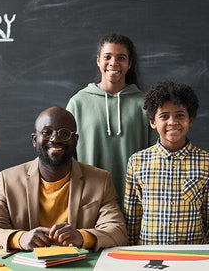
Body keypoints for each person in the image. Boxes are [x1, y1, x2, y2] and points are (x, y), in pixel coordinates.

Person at [0, 106, 127, 251]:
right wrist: (21, 239)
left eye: (64, 133)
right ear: (35, 140)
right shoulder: (8, 180)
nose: (55, 139)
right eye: (47, 132)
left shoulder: (100, 180)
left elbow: (118, 231)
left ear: (75, 140)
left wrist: (83, 237)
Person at [124, 81, 209, 245]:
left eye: (180, 115)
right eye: (164, 116)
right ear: (153, 122)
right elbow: (132, 216)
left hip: (191, 253)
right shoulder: (137, 162)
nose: (172, 122)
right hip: (148, 254)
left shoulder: (207, 162)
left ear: (190, 119)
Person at [66, 33, 156, 204]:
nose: (113, 63)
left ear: (129, 64)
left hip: (136, 202)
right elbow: (69, 157)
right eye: (108, 57)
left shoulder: (145, 104)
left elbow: (155, 155)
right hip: (89, 201)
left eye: (121, 57)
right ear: (98, 60)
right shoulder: (78, 103)